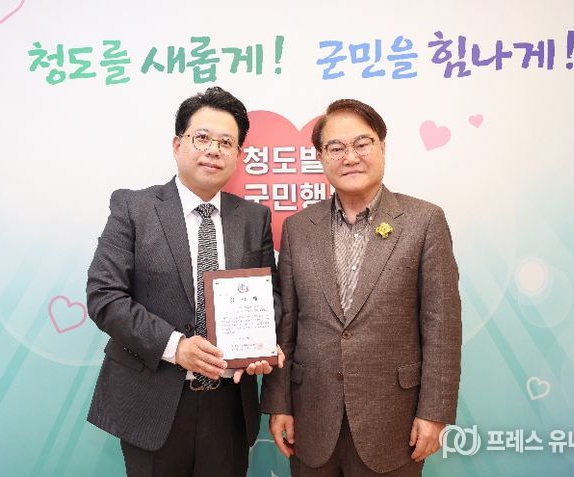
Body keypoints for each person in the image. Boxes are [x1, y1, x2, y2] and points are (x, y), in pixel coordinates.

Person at [86, 86, 282, 477]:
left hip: (229, 404)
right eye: (202, 137)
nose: (213, 150)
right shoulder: (134, 208)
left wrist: (259, 343)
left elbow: (270, 296)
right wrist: (176, 347)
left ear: (238, 155)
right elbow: (105, 297)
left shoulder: (253, 218)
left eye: (226, 142)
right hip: (152, 399)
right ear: (178, 145)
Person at [260, 98, 461, 476]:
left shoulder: (424, 221)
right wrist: (279, 403)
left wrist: (434, 412)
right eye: (336, 147)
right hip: (311, 417)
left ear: (382, 147)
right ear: (321, 157)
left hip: (393, 421)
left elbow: (442, 327)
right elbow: (286, 324)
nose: (350, 157)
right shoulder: (299, 228)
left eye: (362, 144)